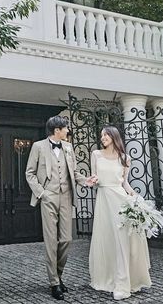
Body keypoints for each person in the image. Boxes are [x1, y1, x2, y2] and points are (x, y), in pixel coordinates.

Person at [25, 115, 97, 301]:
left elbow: (73, 172)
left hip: (66, 196)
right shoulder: (38, 147)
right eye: (65, 128)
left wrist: (86, 181)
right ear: (57, 130)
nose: (68, 131)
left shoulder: (68, 147)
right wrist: (42, 193)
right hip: (48, 196)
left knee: (66, 239)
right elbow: (30, 173)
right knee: (51, 241)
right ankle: (54, 282)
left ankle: (58, 274)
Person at [89, 125, 152, 300]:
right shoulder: (96, 154)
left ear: (114, 136)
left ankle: (123, 283)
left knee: (122, 239)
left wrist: (136, 198)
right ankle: (107, 278)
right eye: (101, 135)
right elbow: (94, 178)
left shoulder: (125, 158)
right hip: (104, 200)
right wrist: (92, 181)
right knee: (106, 238)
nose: (102, 138)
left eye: (106, 135)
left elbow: (125, 183)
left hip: (120, 201)